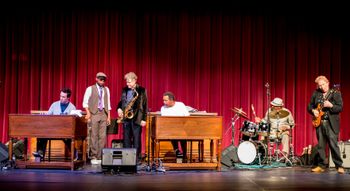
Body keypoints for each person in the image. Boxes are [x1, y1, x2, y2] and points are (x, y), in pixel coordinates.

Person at [307, 75, 344, 174]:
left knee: (333, 145)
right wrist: (313, 110)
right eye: (319, 86)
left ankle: (339, 166)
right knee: (321, 146)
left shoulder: (335, 93)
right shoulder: (316, 93)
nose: (321, 87)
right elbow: (309, 106)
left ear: (327, 83)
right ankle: (321, 165)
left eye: (323, 84)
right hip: (320, 122)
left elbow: (340, 108)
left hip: (331, 123)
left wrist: (331, 105)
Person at [34, 88, 76, 160]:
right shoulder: (54, 104)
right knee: (42, 133)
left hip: (64, 131)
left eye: (63, 97)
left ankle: (75, 154)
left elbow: (72, 122)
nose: (61, 98)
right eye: (60, 96)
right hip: (53, 130)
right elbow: (48, 116)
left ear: (68, 98)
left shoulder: (72, 107)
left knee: (68, 137)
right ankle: (40, 153)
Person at [117, 72, 148, 164]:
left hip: (137, 117)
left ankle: (137, 159)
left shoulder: (142, 90)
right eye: (127, 82)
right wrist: (118, 108)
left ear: (135, 80)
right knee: (126, 138)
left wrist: (144, 119)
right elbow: (121, 101)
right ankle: (127, 158)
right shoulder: (125, 90)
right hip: (126, 117)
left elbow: (145, 105)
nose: (127, 84)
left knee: (136, 138)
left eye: (129, 82)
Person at [83, 72, 111, 165]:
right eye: (100, 79)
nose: (102, 81)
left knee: (102, 136)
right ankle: (94, 156)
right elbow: (85, 102)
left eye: (103, 80)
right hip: (94, 113)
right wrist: (88, 113)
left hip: (103, 113)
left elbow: (108, 103)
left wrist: (109, 117)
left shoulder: (106, 89)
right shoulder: (90, 89)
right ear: (96, 79)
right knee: (94, 135)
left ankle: (100, 156)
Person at [160, 91, 189, 158]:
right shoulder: (163, 108)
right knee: (173, 132)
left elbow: (187, 116)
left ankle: (184, 154)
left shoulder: (180, 105)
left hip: (182, 128)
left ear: (172, 100)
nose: (164, 102)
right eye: (163, 100)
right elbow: (164, 120)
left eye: (166, 100)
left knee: (183, 134)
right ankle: (177, 150)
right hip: (170, 129)